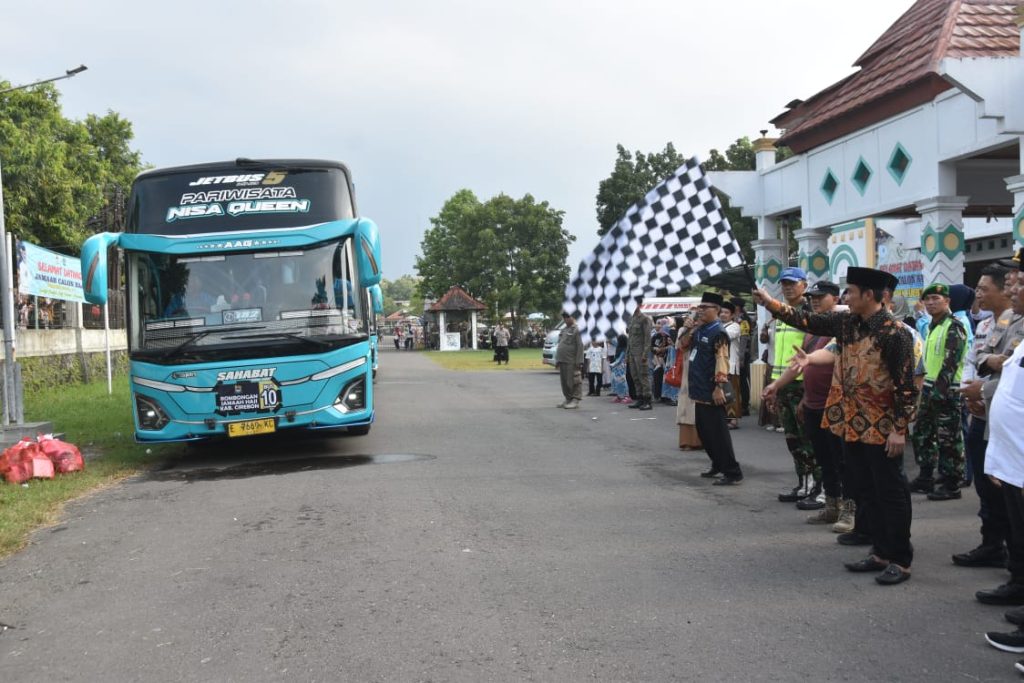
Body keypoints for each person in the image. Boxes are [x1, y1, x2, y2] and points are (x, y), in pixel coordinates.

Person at [754, 266, 919, 585]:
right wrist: (769, 303)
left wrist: (899, 428)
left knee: (891, 492)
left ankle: (900, 558)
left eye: (852, 292)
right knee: (863, 488)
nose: (846, 298)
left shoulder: (894, 333)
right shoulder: (847, 324)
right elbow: (806, 320)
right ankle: (879, 551)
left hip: (882, 426)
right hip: (851, 424)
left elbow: (906, 386)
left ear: (869, 295)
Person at [954, 263, 1016, 569]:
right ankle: (991, 544)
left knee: (1005, 488)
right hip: (980, 415)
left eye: (983, 288)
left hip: (1003, 421)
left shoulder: (1015, 325)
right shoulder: (985, 326)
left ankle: (1009, 549)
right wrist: (970, 391)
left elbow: (1011, 373)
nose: (978, 294)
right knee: (983, 484)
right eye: (976, 288)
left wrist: (983, 390)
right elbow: (973, 359)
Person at [766, 280, 843, 520]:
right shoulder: (813, 328)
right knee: (817, 453)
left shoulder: (842, 325)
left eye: (821, 296)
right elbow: (801, 362)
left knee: (838, 459)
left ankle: (840, 505)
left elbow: (825, 355)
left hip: (835, 404)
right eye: (813, 297)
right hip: (811, 400)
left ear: (836, 299)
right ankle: (829, 504)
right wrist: (776, 385)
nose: (816, 300)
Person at [910, 283, 968, 500]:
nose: (931, 303)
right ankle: (926, 477)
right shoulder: (933, 326)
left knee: (948, 438)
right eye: (928, 299)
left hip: (946, 392)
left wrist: (939, 393)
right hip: (928, 389)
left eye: (936, 298)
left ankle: (952, 484)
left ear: (947, 301)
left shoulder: (954, 326)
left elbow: (951, 363)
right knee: (922, 434)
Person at [768, 267, 820, 503]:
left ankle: (816, 486)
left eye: (792, 283)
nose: (787, 287)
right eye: (784, 283)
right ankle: (802, 482)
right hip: (783, 384)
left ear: (804, 286)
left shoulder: (809, 313)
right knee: (792, 439)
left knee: (808, 438)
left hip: (802, 383)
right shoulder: (781, 312)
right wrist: (774, 385)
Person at [681, 292, 743, 485]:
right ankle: (717, 464)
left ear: (716, 310)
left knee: (718, 433)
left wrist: (719, 387)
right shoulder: (700, 329)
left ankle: (732, 471)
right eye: (699, 307)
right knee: (704, 432)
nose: (700, 311)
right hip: (698, 388)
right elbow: (683, 345)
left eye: (704, 307)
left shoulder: (718, 332)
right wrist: (690, 328)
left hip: (711, 389)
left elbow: (722, 361)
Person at [675, 313, 702, 450]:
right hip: (688, 371)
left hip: (703, 371)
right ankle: (687, 441)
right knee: (687, 405)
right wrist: (687, 330)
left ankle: (702, 440)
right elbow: (681, 345)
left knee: (701, 406)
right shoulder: (684, 330)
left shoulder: (708, 329)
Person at [626, 296, 654, 411]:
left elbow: (648, 338)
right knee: (635, 376)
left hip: (640, 353)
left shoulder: (645, 319)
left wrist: (645, 354)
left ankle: (647, 400)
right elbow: (630, 338)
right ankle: (639, 398)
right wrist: (627, 354)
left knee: (643, 376)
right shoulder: (631, 319)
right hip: (632, 352)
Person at [719, 301, 742, 429]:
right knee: (722, 393)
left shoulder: (735, 326)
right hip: (721, 366)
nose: (723, 315)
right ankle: (724, 418)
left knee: (732, 393)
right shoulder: (719, 326)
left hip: (731, 366)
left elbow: (724, 336)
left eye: (726, 312)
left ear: (732, 315)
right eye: (721, 312)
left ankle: (733, 420)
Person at [555, 311, 584, 409]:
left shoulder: (577, 329)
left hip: (572, 360)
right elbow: (560, 345)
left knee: (574, 380)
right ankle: (568, 398)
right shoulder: (564, 330)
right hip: (563, 359)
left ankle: (575, 399)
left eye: (568, 317)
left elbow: (580, 346)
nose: (566, 319)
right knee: (564, 381)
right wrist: (557, 359)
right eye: (564, 317)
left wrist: (579, 361)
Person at [732, 297, 754, 416]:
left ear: (737, 307)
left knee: (742, 381)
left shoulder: (743, 320)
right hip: (736, 354)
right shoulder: (735, 318)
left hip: (742, 355)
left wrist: (740, 358)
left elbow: (744, 340)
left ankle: (745, 406)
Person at [609, 334, 630, 403]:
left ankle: (626, 396)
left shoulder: (624, 349)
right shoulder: (619, 346)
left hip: (621, 366)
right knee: (617, 382)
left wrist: (612, 364)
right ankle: (619, 396)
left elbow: (620, 359)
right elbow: (612, 340)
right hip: (617, 367)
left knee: (622, 381)